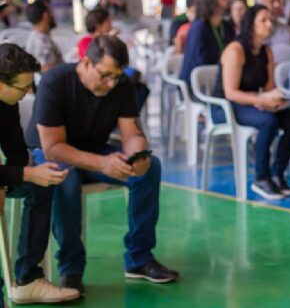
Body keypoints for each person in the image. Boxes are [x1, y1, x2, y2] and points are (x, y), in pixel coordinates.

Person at [20, 35, 179, 296]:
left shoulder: (122, 85)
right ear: (85, 63)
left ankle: (139, 258)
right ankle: (71, 269)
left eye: (116, 76)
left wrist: (137, 156)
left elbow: (131, 133)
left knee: (151, 168)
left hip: (93, 149)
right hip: (48, 155)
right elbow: (53, 147)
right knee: (64, 178)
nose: (111, 83)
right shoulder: (55, 82)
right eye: (105, 75)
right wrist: (102, 163)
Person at [0, 44, 80, 304]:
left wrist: (26, 173)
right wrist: (20, 175)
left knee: (41, 178)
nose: (26, 94)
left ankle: (27, 279)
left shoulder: (8, 102)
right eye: (22, 88)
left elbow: (16, 153)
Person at [214, 5, 290, 200]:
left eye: (270, 20)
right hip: (226, 107)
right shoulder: (235, 50)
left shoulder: (267, 52)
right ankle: (261, 178)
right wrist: (260, 100)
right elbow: (230, 92)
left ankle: (277, 173)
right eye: (263, 20)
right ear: (251, 24)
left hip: (251, 101)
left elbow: (269, 87)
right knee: (268, 121)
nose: (269, 24)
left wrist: (274, 98)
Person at [179, 0, 234, 89]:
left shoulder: (225, 26)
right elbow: (200, 63)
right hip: (197, 87)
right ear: (212, 3)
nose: (227, 0)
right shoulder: (198, 28)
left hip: (220, 81)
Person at [24, 0, 63, 71]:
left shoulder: (39, 37)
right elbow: (45, 69)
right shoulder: (40, 43)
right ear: (46, 15)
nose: (53, 14)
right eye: (50, 11)